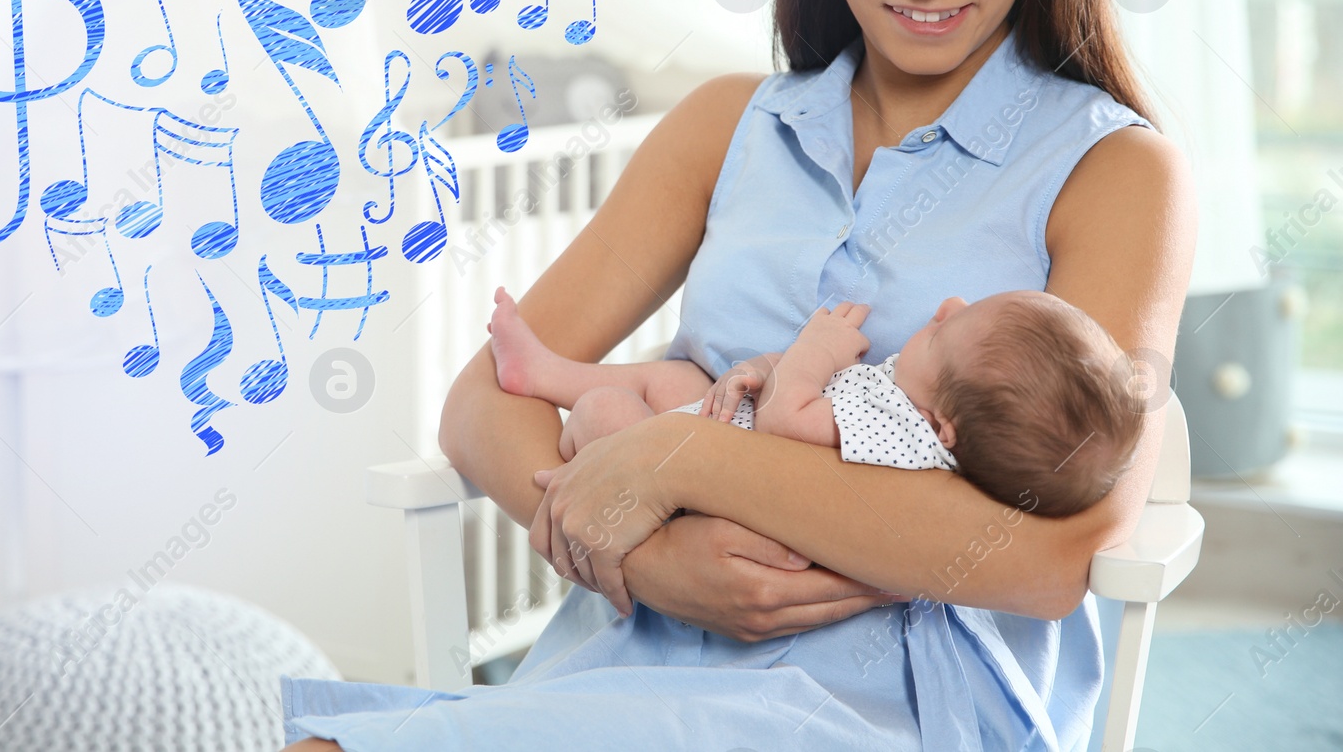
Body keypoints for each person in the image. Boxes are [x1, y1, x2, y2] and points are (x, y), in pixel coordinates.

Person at [282, 0, 1195, 750]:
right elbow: (484, 402)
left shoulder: (1117, 169)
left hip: (886, 695)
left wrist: (684, 465)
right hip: (631, 648)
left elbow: (1047, 555)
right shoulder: (728, 124)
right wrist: (642, 554)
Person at [490, 287, 1143, 519]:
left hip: (698, 494)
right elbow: (802, 399)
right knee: (673, 383)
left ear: (942, 427)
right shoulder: (911, 401)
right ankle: (545, 372)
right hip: (723, 435)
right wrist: (759, 367)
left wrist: (815, 346)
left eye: (944, 331)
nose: (946, 307)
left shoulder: (903, 440)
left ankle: (582, 481)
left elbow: (787, 420)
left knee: (608, 413)